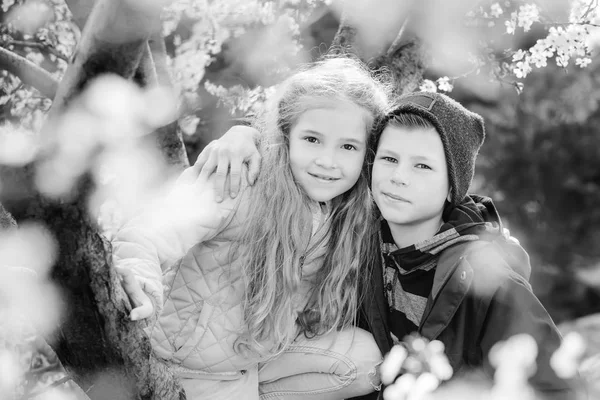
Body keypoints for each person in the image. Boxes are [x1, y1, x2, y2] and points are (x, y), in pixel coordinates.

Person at [197, 92, 579, 399]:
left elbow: (552, 385)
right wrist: (243, 136)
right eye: (390, 159)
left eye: (422, 166)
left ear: (453, 188)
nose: (398, 177)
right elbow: (305, 146)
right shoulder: (352, 239)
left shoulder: (487, 280)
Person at [113, 57, 391, 400]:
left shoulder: (344, 214)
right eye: (312, 140)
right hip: (186, 366)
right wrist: (139, 282)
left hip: (249, 365)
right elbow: (148, 234)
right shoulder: (238, 181)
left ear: (367, 156)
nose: (327, 161)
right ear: (285, 137)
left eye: (348, 146)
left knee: (365, 359)